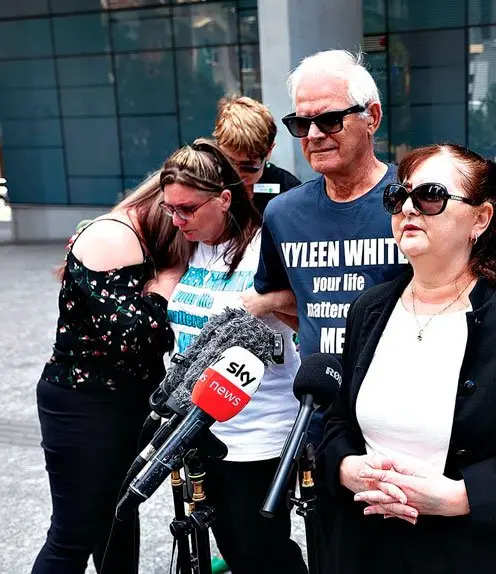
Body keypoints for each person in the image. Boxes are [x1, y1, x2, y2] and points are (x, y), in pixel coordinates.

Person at [317, 143, 496, 573]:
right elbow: (337, 421)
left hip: (475, 553)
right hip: (365, 548)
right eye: (398, 196)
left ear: (480, 219)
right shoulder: (368, 309)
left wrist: (460, 497)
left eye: (430, 195)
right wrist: (347, 468)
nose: (409, 207)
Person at [247, 49, 409, 445]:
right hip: (321, 420)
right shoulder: (283, 214)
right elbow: (281, 293)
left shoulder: (413, 202)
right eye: (302, 123)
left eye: (330, 119)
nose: (315, 134)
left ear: (372, 117)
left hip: (406, 417)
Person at [33, 172, 191, 573]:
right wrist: (167, 281)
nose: (183, 225)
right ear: (164, 204)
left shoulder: (139, 240)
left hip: (120, 402)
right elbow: (135, 337)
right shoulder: (114, 235)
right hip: (83, 403)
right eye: (180, 212)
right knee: (73, 534)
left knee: (118, 521)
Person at [160, 138, 305, 574]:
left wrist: (262, 301)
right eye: (170, 209)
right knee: (232, 547)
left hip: (259, 429)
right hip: (200, 424)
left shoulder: (266, 245)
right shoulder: (186, 244)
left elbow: (312, 308)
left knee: (263, 551)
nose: (177, 219)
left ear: (224, 198)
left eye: (187, 208)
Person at [213, 94, 302, 215]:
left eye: (247, 166)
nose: (237, 173)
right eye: (228, 162)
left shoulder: (290, 192)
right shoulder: (206, 184)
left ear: (269, 151)